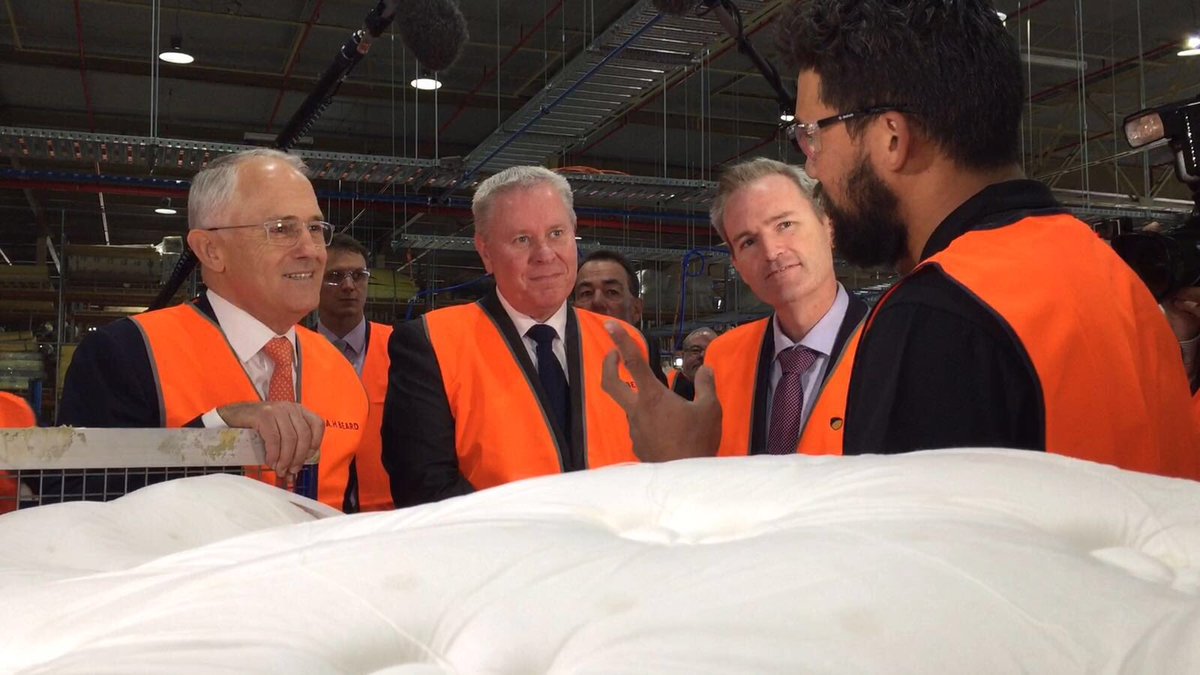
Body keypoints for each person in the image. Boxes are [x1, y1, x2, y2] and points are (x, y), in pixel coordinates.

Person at [603, 0, 1199, 479]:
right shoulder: (1116, 280)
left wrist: (687, 473)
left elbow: (889, 585)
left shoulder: (938, 315)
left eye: (813, 134)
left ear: (891, 138)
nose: (812, 164)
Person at [56, 148, 367, 504]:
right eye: (282, 229)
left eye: (315, 228)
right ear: (210, 250)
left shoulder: (340, 370)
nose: (310, 250)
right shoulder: (127, 354)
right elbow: (73, 504)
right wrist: (213, 434)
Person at [382, 166, 646, 507]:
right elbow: (424, 487)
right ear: (486, 252)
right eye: (522, 239)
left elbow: (659, 463)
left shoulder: (628, 343)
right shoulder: (430, 343)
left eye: (556, 233)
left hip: (620, 536)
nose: (545, 254)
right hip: (494, 540)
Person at [703, 158, 867, 455]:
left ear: (828, 225)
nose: (771, 251)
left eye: (785, 225)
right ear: (737, 264)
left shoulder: (889, 342)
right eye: (748, 242)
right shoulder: (723, 359)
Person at [315, 233, 394, 512]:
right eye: (335, 276)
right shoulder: (293, 351)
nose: (349, 286)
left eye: (358, 276)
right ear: (315, 282)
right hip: (314, 509)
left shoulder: (399, 348)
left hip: (388, 511)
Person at [574, 249, 668, 385]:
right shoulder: (557, 360)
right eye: (586, 293)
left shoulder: (647, 354)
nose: (597, 301)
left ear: (636, 309)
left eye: (612, 292)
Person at [669, 328, 717, 401]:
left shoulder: (729, 391)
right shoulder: (668, 386)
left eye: (710, 350)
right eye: (695, 350)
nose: (703, 355)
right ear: (682, 355)